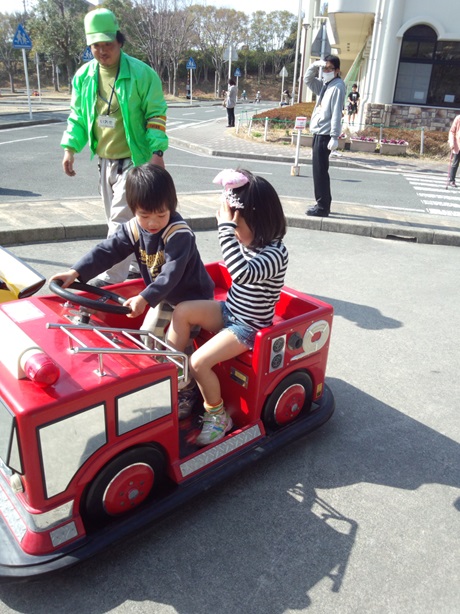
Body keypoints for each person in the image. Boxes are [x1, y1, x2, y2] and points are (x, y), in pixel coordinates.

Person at [50, 164, 214, 418]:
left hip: (192, 301)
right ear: (133, 208)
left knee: (172, 347)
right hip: (165, 297)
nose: (152, 223)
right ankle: (163, 380)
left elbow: (172, 273)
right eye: (144, 214)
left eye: (161, 215)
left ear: (172, 206)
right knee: (147, 337)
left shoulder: (179, 234)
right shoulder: (135, 228)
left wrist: (144, 298)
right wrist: (76, 272)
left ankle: (187, 389)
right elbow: (108, 250)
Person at [166, 169, 289, 446]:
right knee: (183, 310)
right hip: (230, 311)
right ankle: (174, 378)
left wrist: (225, 229)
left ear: (260, 222)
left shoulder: (275, 254)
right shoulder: (250, 240)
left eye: (238, 226)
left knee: (199, 361)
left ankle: (218, 415)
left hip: (249, 328)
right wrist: (233, 225)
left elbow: (240, 273)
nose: (234, 232)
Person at [61, 8, 168, 287]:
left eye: (107, 43)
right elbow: (77, 117)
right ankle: (135, 266)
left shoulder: (142, 74)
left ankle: (111, 278)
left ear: (120, 41)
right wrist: (70, 148)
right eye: (96, 45)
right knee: (118, 217)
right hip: (105, 161)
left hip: (136, 161)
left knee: (119, 221)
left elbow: (155, 115)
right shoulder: (84, 77)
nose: (102, 50)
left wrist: (157, 153)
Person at [303, 55, 346, 217]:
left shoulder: (337, 87)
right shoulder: (325, 85)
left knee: (320, 171)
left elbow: (336, 112)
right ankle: (321, 203)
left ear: (337, 71)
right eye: (324, 68)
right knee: (318, 170)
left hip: (326, 133)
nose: (326, 71)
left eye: (329, 68)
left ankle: (322, 207)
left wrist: (335, 136)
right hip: (319, 132)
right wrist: (314, 65)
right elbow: (308, 80)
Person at [448, 115, 460, 188]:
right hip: (458, 145)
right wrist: (452, 142)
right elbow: (452, 131)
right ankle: (452, 180)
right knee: (455, 163)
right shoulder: (458, 118)